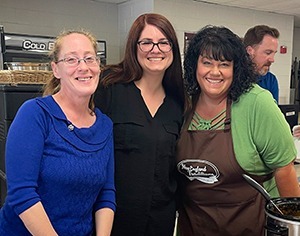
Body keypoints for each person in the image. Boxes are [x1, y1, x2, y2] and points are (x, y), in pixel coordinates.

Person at [176, 25, 300, 236]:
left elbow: (284, 169)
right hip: (193, 226)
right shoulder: (182, 104)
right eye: (207, 63)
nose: (215, 72)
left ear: (236, 68)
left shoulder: (256, 103)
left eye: (224, 64)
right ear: (194, 65)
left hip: (248, 226)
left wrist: (294, 225)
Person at [0, 29, 116, 236]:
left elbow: (106, 195)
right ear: (56, 69)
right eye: (71, 59)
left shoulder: (104, 125)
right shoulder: (35, 114)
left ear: (99, 67)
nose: (83, 67)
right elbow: (22, 195)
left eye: (90, 59)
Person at [94, 13, 185, 236]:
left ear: (173, 48)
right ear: (134, 47)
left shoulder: (179, 102)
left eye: (164, 42)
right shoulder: (109, 87)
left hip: (160, 221)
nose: (156, 49)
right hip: (112, 220)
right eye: (146, 42)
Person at [243, 25, 280, 103]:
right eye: (268, 53)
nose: (272, 59)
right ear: (250, 51)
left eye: (274, 53)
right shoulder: (232, 77)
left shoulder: (271, 80)